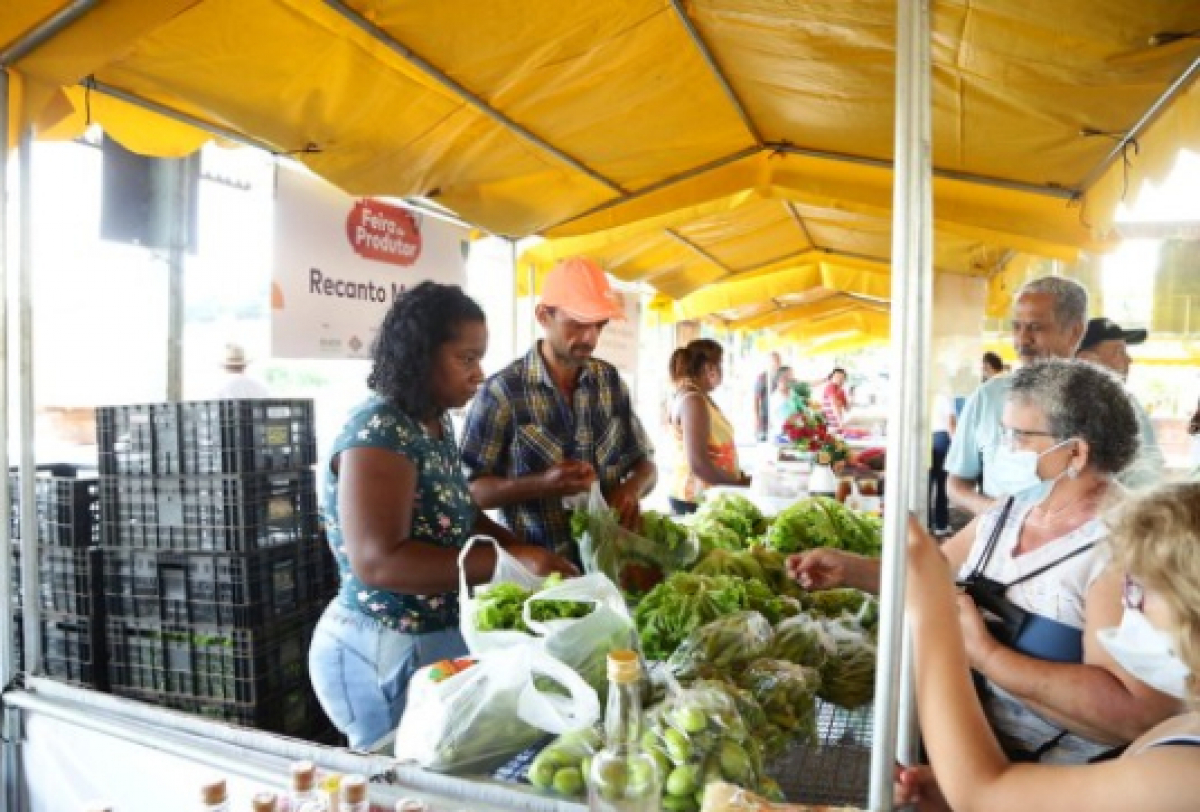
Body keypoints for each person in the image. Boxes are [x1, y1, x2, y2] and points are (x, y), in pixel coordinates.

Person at [790, 360, 1180, 764]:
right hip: (971, 758)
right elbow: (931, 576)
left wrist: (988, 657)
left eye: (1020, 436)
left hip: (1057, 783)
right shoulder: (1008, 514)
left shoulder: (1124, 548)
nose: (1006, 448)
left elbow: (1134, 713)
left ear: (1076, 451)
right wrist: (850, 570)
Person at [308, 282, 577, 751]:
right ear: (420, 356)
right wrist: (503, 566)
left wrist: (524, 552)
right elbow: (380, 563)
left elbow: (459, 515)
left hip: (434, 635)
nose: (479, 374)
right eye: (466, 359)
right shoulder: (379, 431)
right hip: (380, 646)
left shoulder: (434, 422)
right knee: (394, 780)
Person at [895, 482, 1200, 812]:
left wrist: (933, 612)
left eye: (1143, 590)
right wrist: (951, 791)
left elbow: (982, 795)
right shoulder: (1182, 728)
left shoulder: (1185, 772)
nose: (1130, 605)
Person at [460, 257, 656, 561]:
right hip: (538, 574)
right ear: (543, 316)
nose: (590, 337)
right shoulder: (502, 393)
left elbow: (646, 465)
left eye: (599, 325)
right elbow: (471, 492)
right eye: (577, 323)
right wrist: (542, 485)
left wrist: (632, 489)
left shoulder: (610, 382)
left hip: (612, 565)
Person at [947, 276, 1088, 517]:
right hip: (1001, 544)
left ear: (1074, 333)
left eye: (1036, 328)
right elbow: (956, 485)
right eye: (1017, 327)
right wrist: (994, 512)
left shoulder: (1103, 403)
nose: (1023, 340)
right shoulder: (988, 397)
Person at [1076, 316, 1164, 489]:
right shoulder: (1062, 408)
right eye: (1119, 352)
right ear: (1086, 360)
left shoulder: (1127, 404)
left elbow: (1147, 469)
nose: (1129, 360)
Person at [667, 339, 748, 515]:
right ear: (709, 368)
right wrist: (739, 485)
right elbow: (698, 464)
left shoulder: (698, 396)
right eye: (721, 364)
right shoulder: (693, 400)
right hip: (694, 498)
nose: (722, 370)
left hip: (705, 496)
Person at [929, 392, 957, 536]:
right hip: (942, 439)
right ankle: (941, 524)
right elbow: (950, 422)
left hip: (927, 438)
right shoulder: (945, 395)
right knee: (942, 484)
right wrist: (956, 444)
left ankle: (926, 524)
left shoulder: (927, 394)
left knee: (927, 484)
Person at [754, 352, 782, 442]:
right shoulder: (762, 377)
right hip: (765, 418)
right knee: (764, 443)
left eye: (778, 361)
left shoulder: (782, 377)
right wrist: (756, 418)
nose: (776, 363)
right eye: (774, 361)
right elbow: (756, 399)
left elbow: (800, 384)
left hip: (779, 418)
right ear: (769, 363)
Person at [767, 366, 797, 440]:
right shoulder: (776, 398)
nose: (792, 379)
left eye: (792, 376)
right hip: (781, 437)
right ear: (781, 379)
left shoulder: (793, 394)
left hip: (794, 436)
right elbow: (787, 418)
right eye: (789, 376)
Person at [821, 367, 850, 433]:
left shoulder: (841, 391)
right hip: (830, 425)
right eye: (837, 377)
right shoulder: (831, 387)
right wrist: (841, 423)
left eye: (842, 378)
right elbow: (834, 404)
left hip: (837, 424)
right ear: (831, 378)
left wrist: (851, 396)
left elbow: (847, 408)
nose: (839, 380)